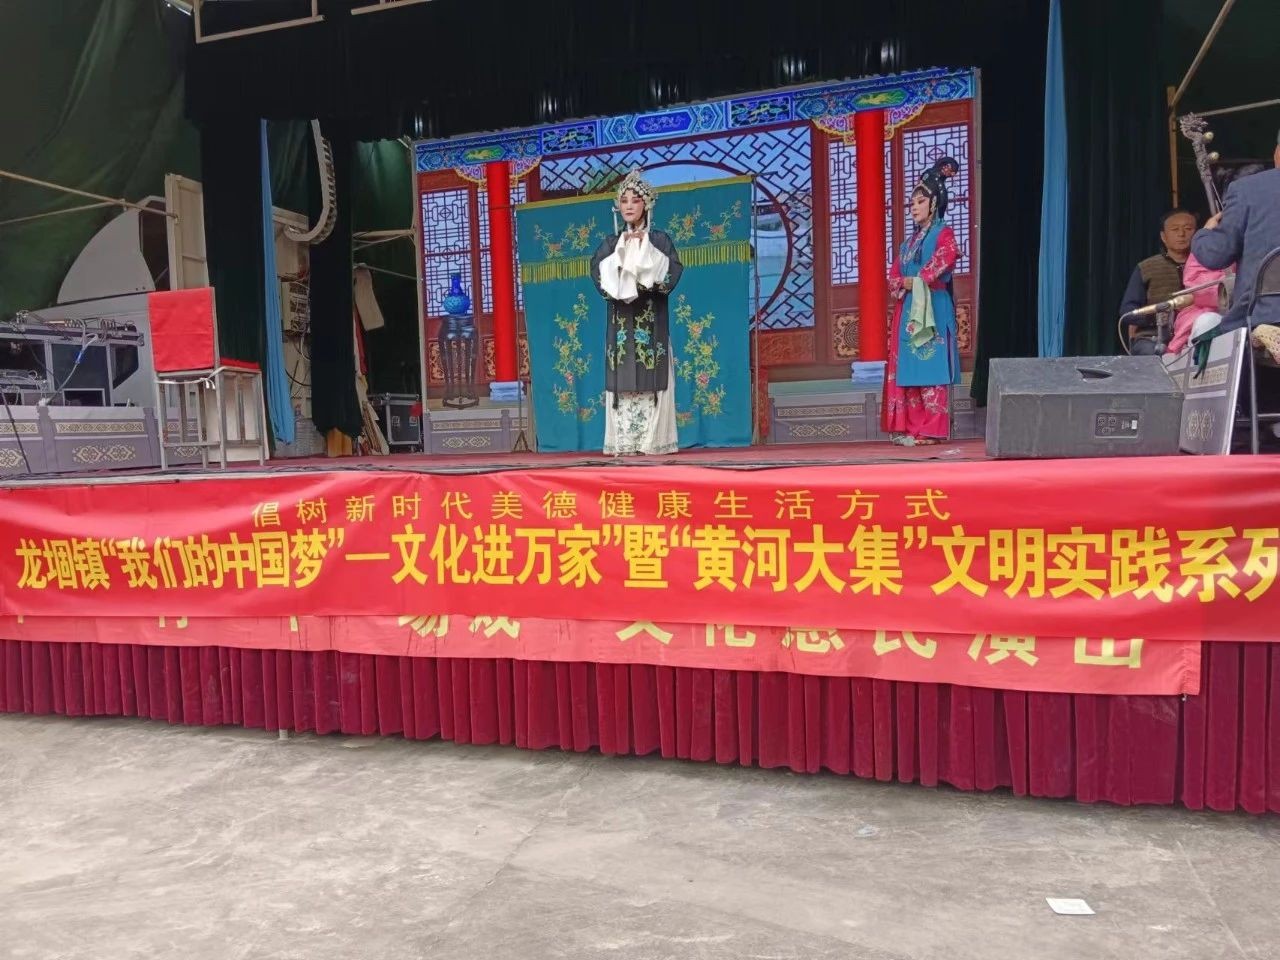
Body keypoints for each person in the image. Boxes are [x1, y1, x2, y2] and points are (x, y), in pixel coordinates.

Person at [590, 169, 684, 455]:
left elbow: (671, 273)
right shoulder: (611, 244)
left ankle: (652, 442)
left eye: (635, 200)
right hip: (620, 324)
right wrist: (620, 260)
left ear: (647, 204)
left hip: (651, 321)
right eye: (624, 201)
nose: (629, 206)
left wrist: (647, 254)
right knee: (622, 376)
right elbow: (599, 277)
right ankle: (624, 442)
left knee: (652, 375)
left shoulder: (660, 241)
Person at [882, 157, 961, 446]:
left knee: (932, 365)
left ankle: (933, 429)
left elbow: (946, 257)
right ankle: (914, 428)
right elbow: (893, 275)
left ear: (934, 203)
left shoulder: (944, 233)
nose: (914, 207)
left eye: (920, 202)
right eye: (912, 203)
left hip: (933, 305)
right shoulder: (906, 244)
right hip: (908, 308)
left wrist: (917, 279)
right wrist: (903, 283)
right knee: (911, 368)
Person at [1191, 132, 1280, 363]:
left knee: (1206, 331)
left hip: (1265, 315)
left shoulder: (1247, 190)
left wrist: (1204, 234)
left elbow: (1216, 255)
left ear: (1277, 153)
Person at [1167, 164, 1267, 354]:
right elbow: (1198, 286)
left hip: (1264, 313)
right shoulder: (1214, 233)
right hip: (1219, 314)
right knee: (1208, 322)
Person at [1118, 209, 1196, 354]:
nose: (1181, 234)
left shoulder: (1206, 265)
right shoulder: (1146, 267)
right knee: (1154, 354)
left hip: (1195, 335)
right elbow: (1127, 312)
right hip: (1152, 337)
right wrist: (1157, 318)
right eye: (1175, 229)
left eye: (1188, 228)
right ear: (1163, 237)